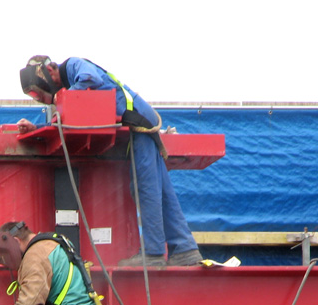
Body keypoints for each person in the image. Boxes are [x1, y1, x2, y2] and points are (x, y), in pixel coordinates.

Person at [18, 55, 203, 267]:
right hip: (138, 125)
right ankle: (185, 249)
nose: (53, 98)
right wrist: (39, 127)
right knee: (161, 190)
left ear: (50, 70)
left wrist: (64, 101)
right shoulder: (73, 85)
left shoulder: (73, 65)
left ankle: (153, 253)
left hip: (138, 124)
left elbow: (91, 78)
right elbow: (67, 120)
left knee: (145, 187)